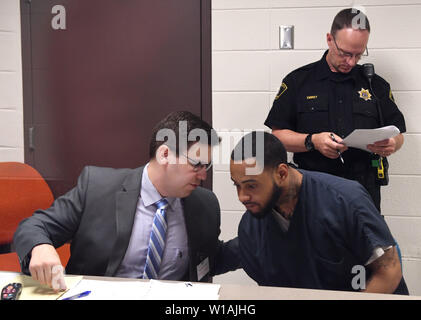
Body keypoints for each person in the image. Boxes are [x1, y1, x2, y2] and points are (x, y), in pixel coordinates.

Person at [14, 111, 240, 290]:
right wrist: (40, 247)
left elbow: (211, 258)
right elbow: (34, 226)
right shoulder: (97, 188)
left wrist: (260, 231)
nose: (203, 176)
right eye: (197, 164)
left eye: (207, 167)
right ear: (165, 155)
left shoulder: (205, 204)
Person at [230, 131, 408, 294]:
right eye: (236, 185)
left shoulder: (345, 200)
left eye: (251, 185)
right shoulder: (251, 228)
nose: (242, 197)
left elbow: (389, 271)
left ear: (282, 173)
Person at [264, 8, 406, 211]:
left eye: (358, 55)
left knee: (362, 243)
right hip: (312, 187)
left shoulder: (376, 85)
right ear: (330, 39)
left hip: (364, 190)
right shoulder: (298, 81)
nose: (351, 61)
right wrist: (312, 141)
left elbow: (397, 132)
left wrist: (393, 143)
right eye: (345, 53)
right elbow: (278, 137)